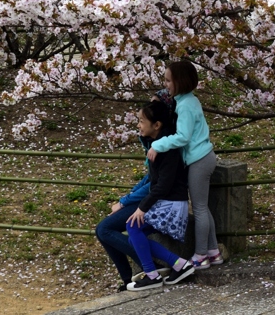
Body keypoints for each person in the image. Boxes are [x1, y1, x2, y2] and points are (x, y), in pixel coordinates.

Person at [147, 59, 223, 269]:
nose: (166, 84)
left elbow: (183, 137)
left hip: (199, 160)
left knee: (199, 209)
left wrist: (158, 145)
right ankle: (213, 251)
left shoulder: (186, 105)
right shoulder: (187, 100)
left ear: (180, 81)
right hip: (203, 157)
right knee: (203, 208)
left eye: (169, 80)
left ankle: (200, 255)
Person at [125, 99, 195, 291]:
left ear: (157, 125)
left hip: (172, 203)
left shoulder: (166, 149)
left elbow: (163, 185)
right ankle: (179, 264)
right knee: (134, 236)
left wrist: (142, 208)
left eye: (141, 121)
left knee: (132, 225)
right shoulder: (157, 145)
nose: (138, 125)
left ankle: (152, 275)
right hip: (167, 201)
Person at [94, 139, 152, 290]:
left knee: (104, 229)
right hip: (145, 199)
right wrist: (127, 197)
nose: (138, 125)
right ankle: (127, 279)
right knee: (101, 230)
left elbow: (154, 185)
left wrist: (124, 202)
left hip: (156, 202)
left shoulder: (163, 146)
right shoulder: (154, 143)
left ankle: (150, 265)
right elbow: (148, 178)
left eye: (141, 121)